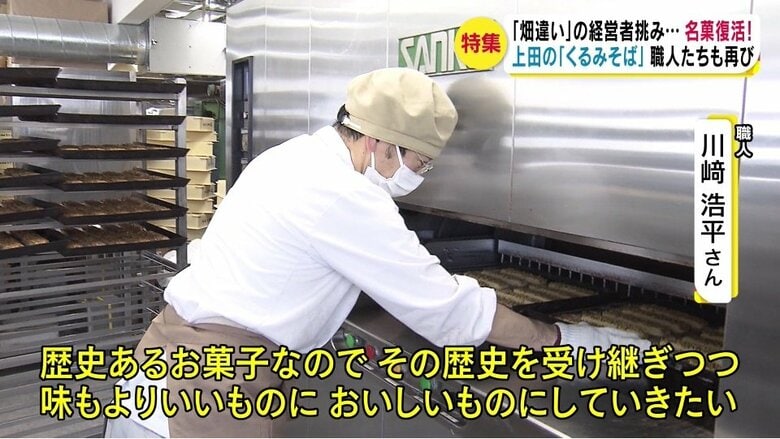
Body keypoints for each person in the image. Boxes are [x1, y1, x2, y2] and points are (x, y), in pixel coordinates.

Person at [105, 68, 649, 438]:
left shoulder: (294, 157)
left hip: (165, 364)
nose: (419, 175)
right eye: (420, 162)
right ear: (380, 142)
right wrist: (563, 340)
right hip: (211, 385)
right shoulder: (343, 194)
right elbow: (449, 311)